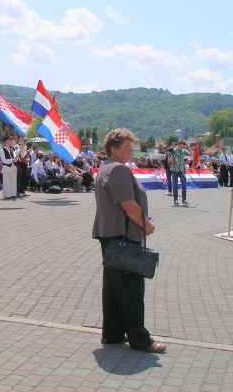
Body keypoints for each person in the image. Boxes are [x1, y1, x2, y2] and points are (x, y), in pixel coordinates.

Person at [93, 128, 166, 354]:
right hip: (122, 236)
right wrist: (147, 225)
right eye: (127, 147)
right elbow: (129, 206)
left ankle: (113, 333)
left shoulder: (105, 167)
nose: (131, 150)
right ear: (113, 149)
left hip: (110, 234)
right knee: (131, 289)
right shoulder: (117, 170)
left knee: (114, 287)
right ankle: (140, 339)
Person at [168, 141, 189, 206]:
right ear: (178, 145)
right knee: (175, 185)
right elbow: (169, 161)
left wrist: (188, 147)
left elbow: (192, 153)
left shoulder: (184, 151)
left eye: (183, 146)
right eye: (180, 146)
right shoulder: (173, 151)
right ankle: (176, 200)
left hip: (181, 169)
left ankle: (184, 200)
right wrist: (173, 158)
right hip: (174, 170)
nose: (181, 147)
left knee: (184, 184)